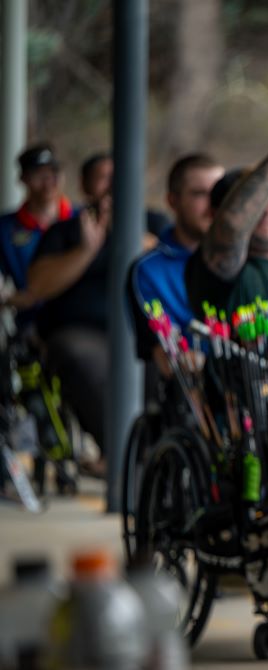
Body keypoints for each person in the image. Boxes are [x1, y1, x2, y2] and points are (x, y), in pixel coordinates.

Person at [17, 153, 169, 461]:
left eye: (119, 176)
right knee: (82, 360)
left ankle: (158, 453)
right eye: (103, 177)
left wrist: (139, 243)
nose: (113, 185)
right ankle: (122, 456)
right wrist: (87, 251)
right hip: (81, 331)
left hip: (141, 332)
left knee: (163, 369)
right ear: (86, 186)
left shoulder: (153, 224)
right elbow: (37, 287)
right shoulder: (66, 231)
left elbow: (178, 268)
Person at [185, 87, 268, 364]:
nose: (265, 212)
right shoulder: (213, 267)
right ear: (217, 214)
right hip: (235, 404)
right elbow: (231, 228)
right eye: (254, 206)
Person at [128, 153, 224, 374]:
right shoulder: (148, 270)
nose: (212, 205)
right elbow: (169, 354)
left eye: (218, 194)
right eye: (200, 194)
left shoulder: (246, 256)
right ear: (173, 201)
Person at [0, 144, 73, 295]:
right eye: (39, 174)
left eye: (53, 173)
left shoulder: (82, 218)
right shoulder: (5, 227)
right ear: (23, 179)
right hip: (32, 315)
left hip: (79, 313)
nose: (48, 182)